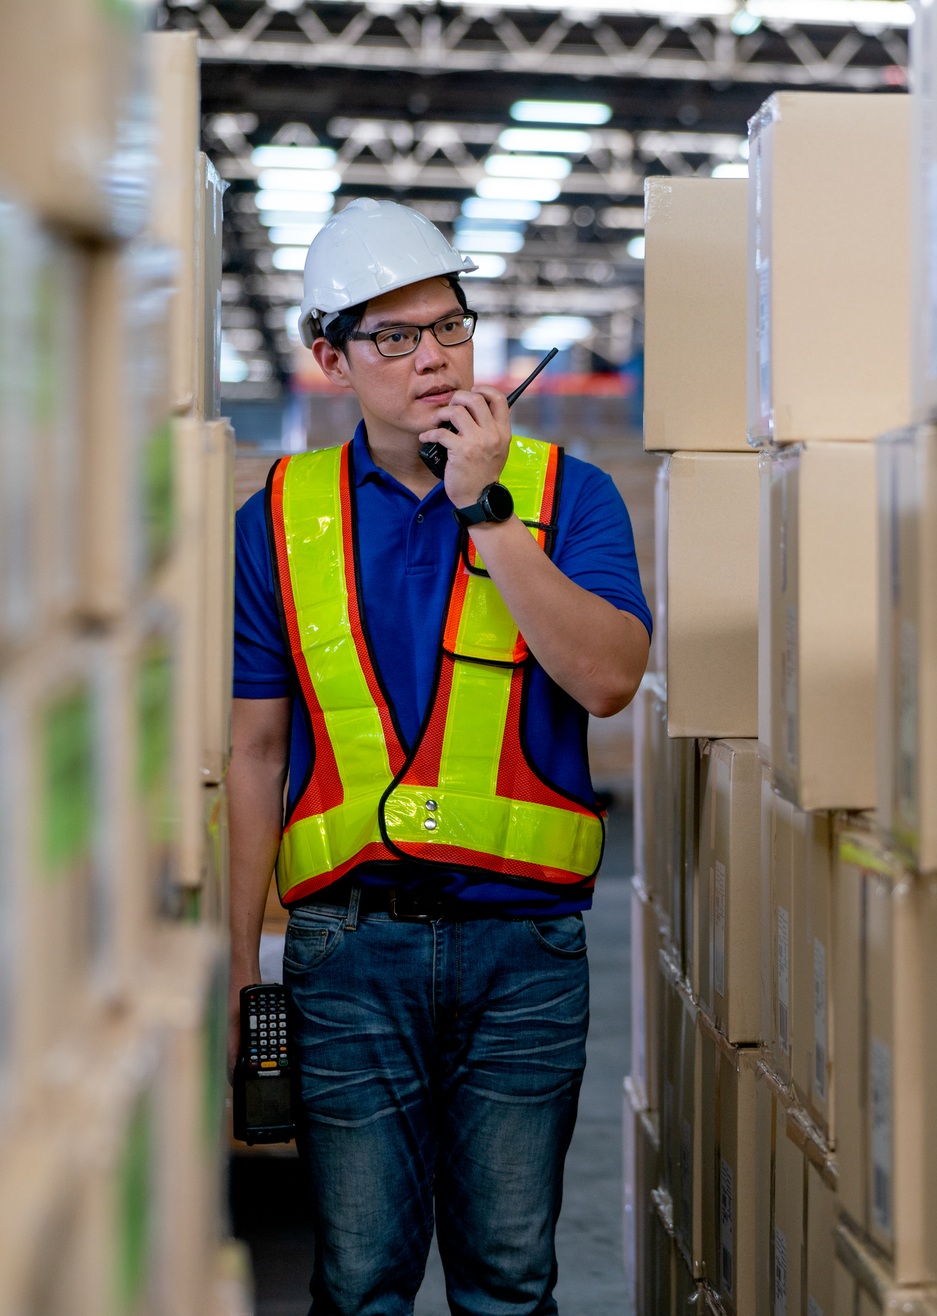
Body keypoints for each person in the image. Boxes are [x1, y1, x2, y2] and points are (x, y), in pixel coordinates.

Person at [226, 198, 651, 1316]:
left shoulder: (567, 496)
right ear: (329, 356)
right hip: (344, 956)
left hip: (522, 952)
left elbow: (609, 679)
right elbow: (255, 747)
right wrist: (236, 967)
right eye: (393, 338)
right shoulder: (278, 517)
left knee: (509, 1283)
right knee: (359, 1282)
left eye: (449, 328)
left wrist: (489, 513)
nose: (431, 359)